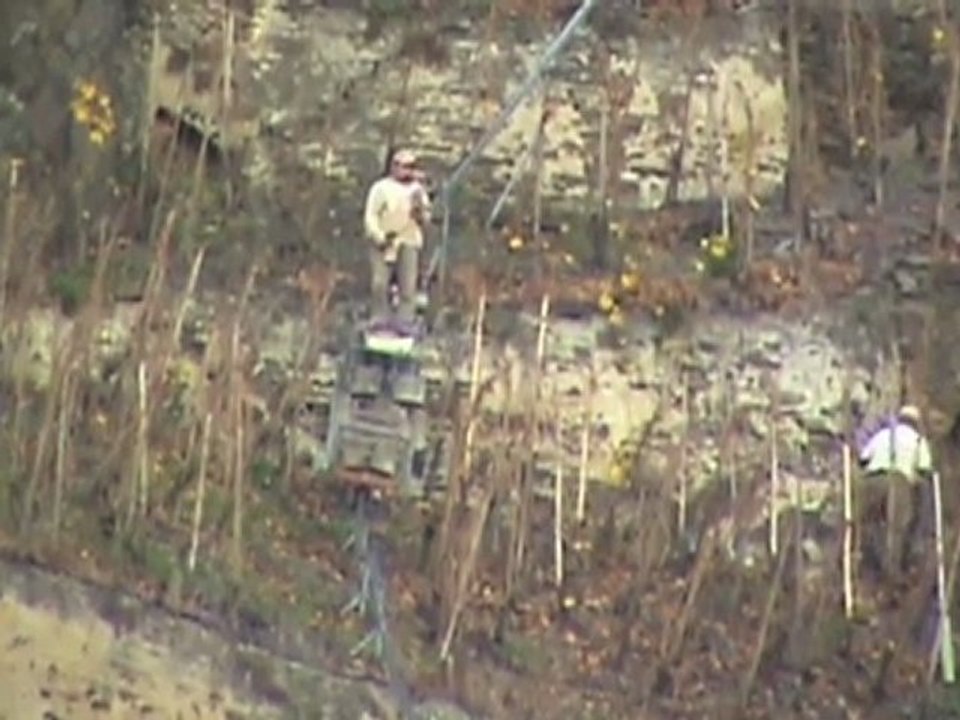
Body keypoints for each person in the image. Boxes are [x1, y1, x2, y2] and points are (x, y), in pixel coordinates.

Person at [858, 404, 934, 578]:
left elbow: (863, 459)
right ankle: (892, 571)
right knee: (896, 527)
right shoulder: (918, 440)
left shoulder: (883, 434)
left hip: (870, 480)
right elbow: (925, 469)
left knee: (867, 522)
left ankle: (860, 563)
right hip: (898, 480)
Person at [363, 148, 431, 321]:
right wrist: (379, 236)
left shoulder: (418, 191)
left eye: (409, 166)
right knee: (380, 284)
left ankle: (404, 322)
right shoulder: (381, 188)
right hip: (384, 241)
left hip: (408, 241)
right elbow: (371, 215)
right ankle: (379, 320)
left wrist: (420, 213)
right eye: (400, 165)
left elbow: (426, 219)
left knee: (408, 286)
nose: (404, 170)